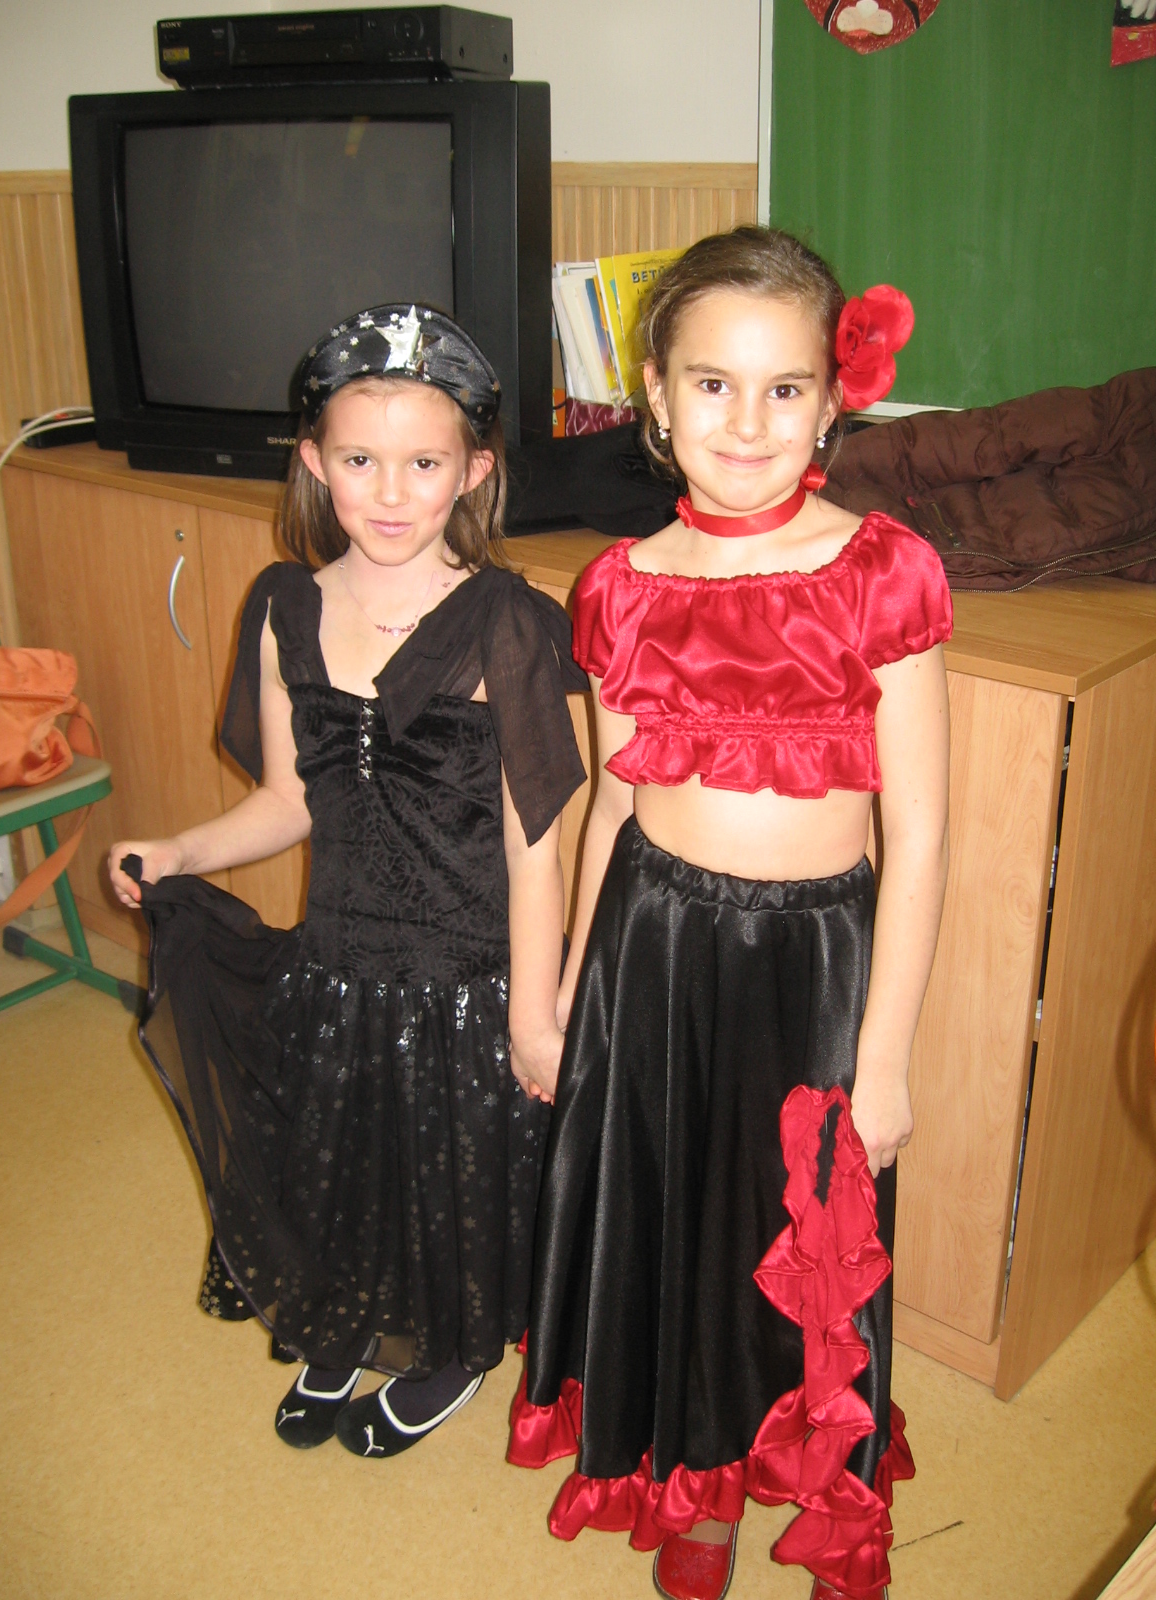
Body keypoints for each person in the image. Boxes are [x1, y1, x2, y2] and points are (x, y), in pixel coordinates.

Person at [507, 228, 951, 1600]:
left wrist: (885, 1056)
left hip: (817, 963)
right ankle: (698, 1483)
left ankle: (829, 1498)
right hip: (652, 951)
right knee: (678, 1228)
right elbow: (614, 806)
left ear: (832, 400)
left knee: (810, 1244)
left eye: (782, 388)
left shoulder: (883, 570)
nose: (746, 421)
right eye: (713, 384)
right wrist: (568, 996)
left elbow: (921, 832)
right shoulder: (619, 586)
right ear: (655, 395)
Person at [108, 305, 586, 1457]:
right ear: (316, 463)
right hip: (337, 961)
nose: (390, 491)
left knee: (450, 1182)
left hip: (468, 977)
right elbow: (289, 801)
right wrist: (179, 852)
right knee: (348, 1164)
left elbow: (539, 845)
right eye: (361, 460)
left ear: (473, 472)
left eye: (424, 464)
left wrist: (533, 1016)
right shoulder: (286, 604)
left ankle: (454, 1348)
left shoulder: (509, 624)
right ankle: (348, 1316)